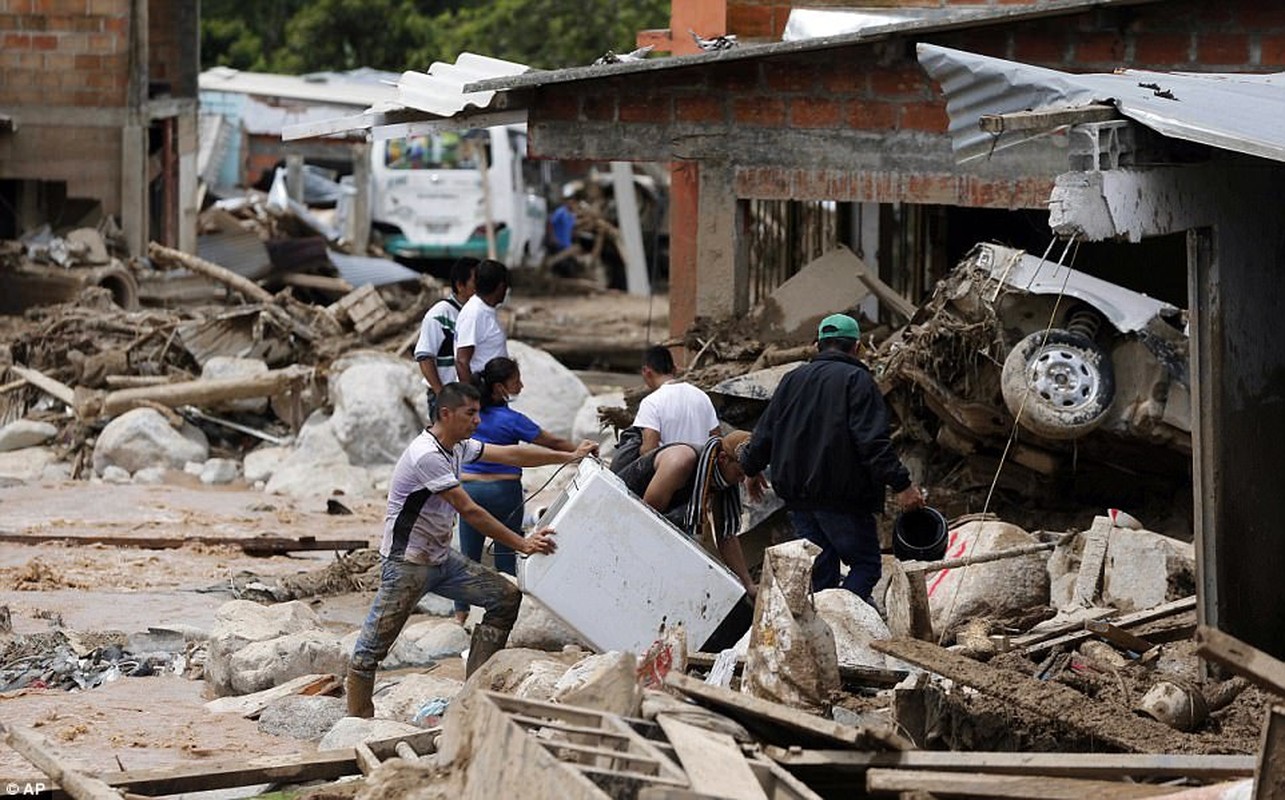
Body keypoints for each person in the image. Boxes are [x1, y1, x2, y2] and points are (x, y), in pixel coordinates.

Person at [346, 382, 598, 718]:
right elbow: (470, 510)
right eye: (471, 413)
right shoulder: (427, 455)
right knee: (370, 651)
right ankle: (357, 721)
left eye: (478, 413)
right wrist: (522, 542)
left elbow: (511, 455)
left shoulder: (457, 446)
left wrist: (567, 456)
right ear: (446, 414)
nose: (478, 420)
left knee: (505, 598)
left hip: (439, 559)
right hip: (407, 565)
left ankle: (472, 696)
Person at [739, 313, 925, 604]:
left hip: (800, 500)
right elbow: (872, 443)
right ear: (857, 347)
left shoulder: (792, 380)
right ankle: (843, 621)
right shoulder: (858, 380)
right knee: (865, 566)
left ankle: (828, 631)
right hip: (843, 499)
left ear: (817, 346)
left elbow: (765, 431)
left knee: (822, 574)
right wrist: (902, 485)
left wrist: (750, 468)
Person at [453, 357, 581, 625]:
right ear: (500, 387)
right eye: (516, 381)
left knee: (468, 558)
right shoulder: (512, 419)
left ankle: (460, 616)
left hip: (470, 490)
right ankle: (508, 615)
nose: (521, 385)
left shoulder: (472, 418)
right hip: (504, 492)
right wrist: (578, 452)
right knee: (505, 556)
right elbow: (551, 441)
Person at [619, 429, 758, 599]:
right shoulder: (681, 461)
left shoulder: (719, 475)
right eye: (740, 473)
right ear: (723, 459)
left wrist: (748, 585)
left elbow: (726, 536)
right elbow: (646, 519)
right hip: (622, 518)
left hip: (650, 526)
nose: (742, 481)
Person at [413, 257, 478, 419]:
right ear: (460, 285)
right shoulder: (440, 314)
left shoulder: (475, 314)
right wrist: (441, 393)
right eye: (477, 282)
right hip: (449, 398)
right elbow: (424, 357)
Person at [454, 259, 509, 385]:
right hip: (482, 393)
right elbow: (462, 361)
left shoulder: (487, 309)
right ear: (501, 287)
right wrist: (473, 399)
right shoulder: (474, 313)